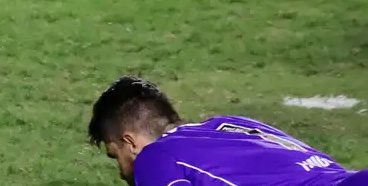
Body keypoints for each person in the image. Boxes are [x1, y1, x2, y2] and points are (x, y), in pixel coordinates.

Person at [87, 75, 367, 185]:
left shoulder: (155, 156)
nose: (122, 172)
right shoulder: (234, 125)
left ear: (130, 142)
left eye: (115, 155)